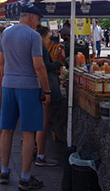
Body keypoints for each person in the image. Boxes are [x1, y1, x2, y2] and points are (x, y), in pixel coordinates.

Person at [0, 4, 50, 189]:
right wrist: (47, 90)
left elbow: (2, 64)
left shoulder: (6, 33)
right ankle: (25, 178)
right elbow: (39, 66)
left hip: (8, 85)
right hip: (28, 86)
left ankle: (4, 171)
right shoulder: (33, 36)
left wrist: (5, 83)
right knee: (28, 133)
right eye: (38, 19)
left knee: (7, 130)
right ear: (32, 18)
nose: (38, 23)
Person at [35, 25, 61, 167]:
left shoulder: (34, 46)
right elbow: (44, 66)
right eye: (48, 37)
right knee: (43, 123)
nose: (49, 40)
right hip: (45, 84)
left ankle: (37, 151)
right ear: (43, 36)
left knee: (40, 121)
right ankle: (41, 155)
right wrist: (58, 62)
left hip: (35, 85)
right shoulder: (41, 48)